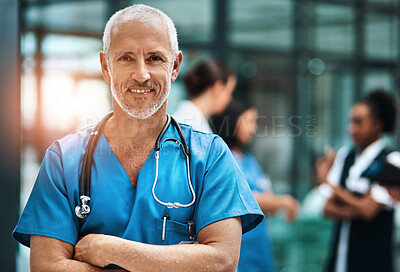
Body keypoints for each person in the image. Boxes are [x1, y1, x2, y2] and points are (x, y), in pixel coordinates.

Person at [12, 5, 264, 271]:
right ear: (105, 67)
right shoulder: (64, 160)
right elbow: (46, 267)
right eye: (126, 58)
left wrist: (111, 250)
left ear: (175, 66)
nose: (141, 74)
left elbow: (222, 262)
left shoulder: (211, 156)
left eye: (155, 58)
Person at [316, 89, 400, 272]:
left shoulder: (392, 161)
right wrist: (359, 206)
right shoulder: (345, 157)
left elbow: (368, 212)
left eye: (358, 122)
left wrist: (330, 184)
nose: (351, 128)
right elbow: (327, 208)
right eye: (351, 121)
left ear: (377, 125)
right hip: (339, 260)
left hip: (374, 262)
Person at [212, 100, 299, 272]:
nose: (254, 128)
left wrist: (273, 202)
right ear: (232, 121)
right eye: (249, 121)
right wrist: (285, 202)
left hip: (259, 247)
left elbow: (267, 199)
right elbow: (242, 198)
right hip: (241, 249)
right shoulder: (222, 160)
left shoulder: (250, 161)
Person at [173, 59, 237, 133]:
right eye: (229, 92)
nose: (229, 99)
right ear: (218, 87)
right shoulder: (187, 124)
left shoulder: (193, 121)